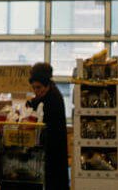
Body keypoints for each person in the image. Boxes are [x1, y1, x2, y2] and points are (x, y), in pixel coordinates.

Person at [27, 62, 69, 190]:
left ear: (47, 85)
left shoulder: (53, 99)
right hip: (52, 150)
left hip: (53, 150)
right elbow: (37, 101)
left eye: (38, 88)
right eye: (33, 88)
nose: (36, 91)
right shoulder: (50, 93)